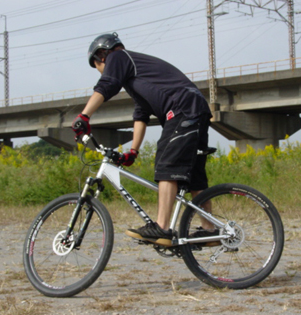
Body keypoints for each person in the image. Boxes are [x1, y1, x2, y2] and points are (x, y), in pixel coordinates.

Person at [72, 32, 217, 247]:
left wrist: (84, 116)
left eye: (98, 67)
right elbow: (140, 115)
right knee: (194, 178)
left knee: (167, 164)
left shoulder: (119, 57)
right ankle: (210, 231)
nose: (102, 71)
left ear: (102, 55)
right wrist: (134, 151)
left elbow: (107, 83)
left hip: (182, 108)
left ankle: (162, 228)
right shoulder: (138, 78)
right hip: (194, 108)